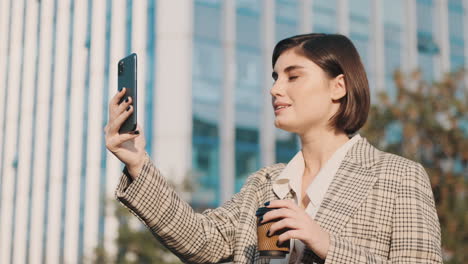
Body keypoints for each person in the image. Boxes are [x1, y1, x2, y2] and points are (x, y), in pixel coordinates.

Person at [104, 33, 442, 263]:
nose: (275, 89)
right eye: (275, 77)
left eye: (293, 77)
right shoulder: (265, 184)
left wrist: (326, 245)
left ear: (338, 86)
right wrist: (138, 163)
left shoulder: (398, 176)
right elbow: (201, 241)